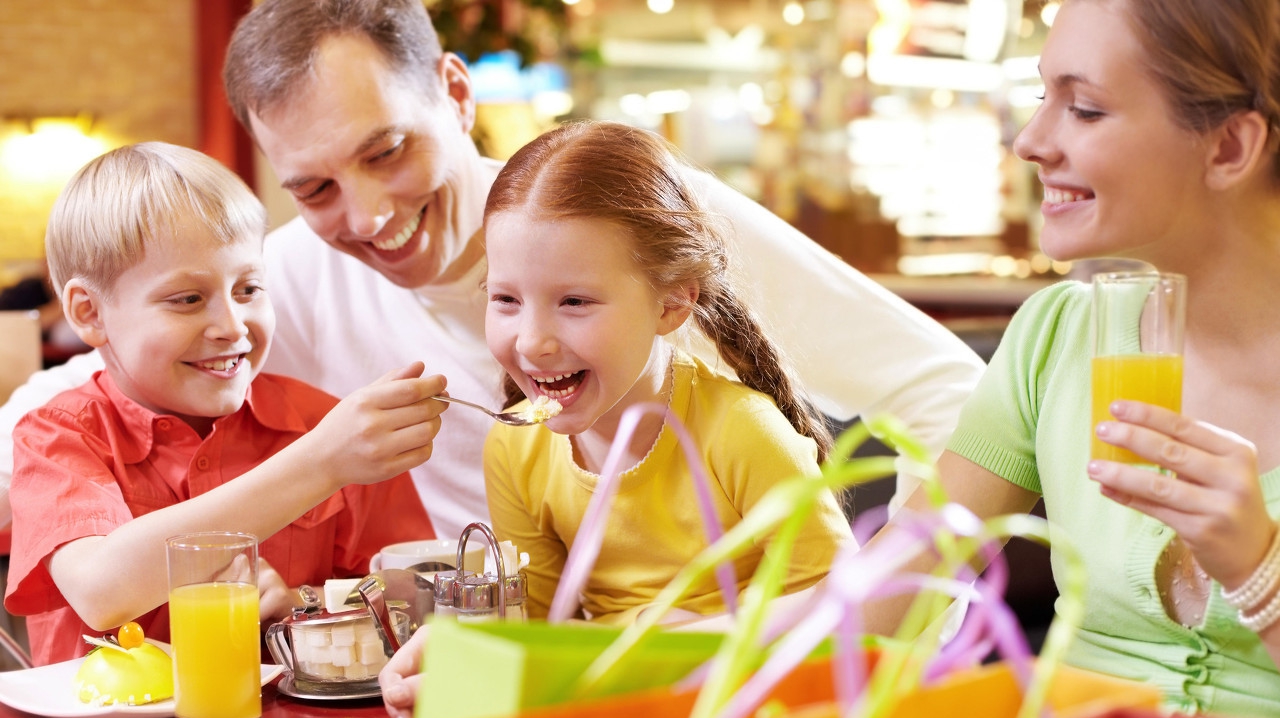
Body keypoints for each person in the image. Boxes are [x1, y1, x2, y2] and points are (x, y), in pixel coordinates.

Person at [0, 0, 985, 543]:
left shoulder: (632, 216)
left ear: (455, 93)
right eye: (315, 188)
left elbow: (951, 394)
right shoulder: (278, 287)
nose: (370, 216)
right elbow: (75, 402)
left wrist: (886, 596)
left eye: (386, 152)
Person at [861, 0, 1280, 718]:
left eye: (1084, 109)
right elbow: (897, 586)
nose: (1030, 141)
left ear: (1228, 148)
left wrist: (1259, 571)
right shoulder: (1056, 337)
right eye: (1040, 97)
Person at [4, 142, 443, 665]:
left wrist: (301, 604)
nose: (233, 327)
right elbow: (102, 591)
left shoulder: (331, 425)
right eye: (188, 299)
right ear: (89, 312)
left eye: (249, 289)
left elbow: (413, 609)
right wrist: (320, 463)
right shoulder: (59, 438)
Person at [483, 121, 854, 624]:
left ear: (674, 301)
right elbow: (536, 631)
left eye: (574, 301)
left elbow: (848, 600)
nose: (531, 341)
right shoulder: (513, 449)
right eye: (506, 299)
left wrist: (677, 641)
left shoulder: (742, 432)